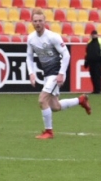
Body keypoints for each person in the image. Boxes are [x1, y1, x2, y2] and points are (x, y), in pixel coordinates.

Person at [26, 9, 91, 140]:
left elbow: (66, 54)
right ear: (32, 22)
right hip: (47, 74)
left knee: (42, 99)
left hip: (56, 73)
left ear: (45, 21)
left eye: (40, 21)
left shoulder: (53, 37)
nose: (38, 23)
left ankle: (49, 132)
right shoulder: (31, 38)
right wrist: (31, 73)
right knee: (55, 106)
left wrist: (61, 74)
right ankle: (81, 100)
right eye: (35, 21)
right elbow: (29, 56)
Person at [83, 27, 101, 94]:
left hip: (98, 62)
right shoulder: (89, 43)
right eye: (93, 35)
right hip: (91, 62)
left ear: (97, 35)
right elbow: (87, 53)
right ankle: (95, 89)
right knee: (92, 76)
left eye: (95, 34)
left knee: (97, 76)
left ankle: (98, 89)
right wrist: (86, 63)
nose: (94, 36)